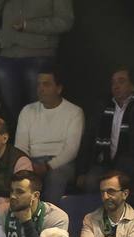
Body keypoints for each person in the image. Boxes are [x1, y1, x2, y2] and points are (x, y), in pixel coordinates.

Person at [14, 68, 84, 201]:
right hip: (32, 160)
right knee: (21, 175)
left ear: (58, 88)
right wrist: (27, 165)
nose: (40, 88)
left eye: (46, 84)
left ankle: (49, 219)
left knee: (55, 177)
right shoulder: (27, 111)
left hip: (61, 163)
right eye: (38, 84)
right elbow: (20, 147)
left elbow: (71, 150)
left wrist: (48, 166)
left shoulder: (74, 112)